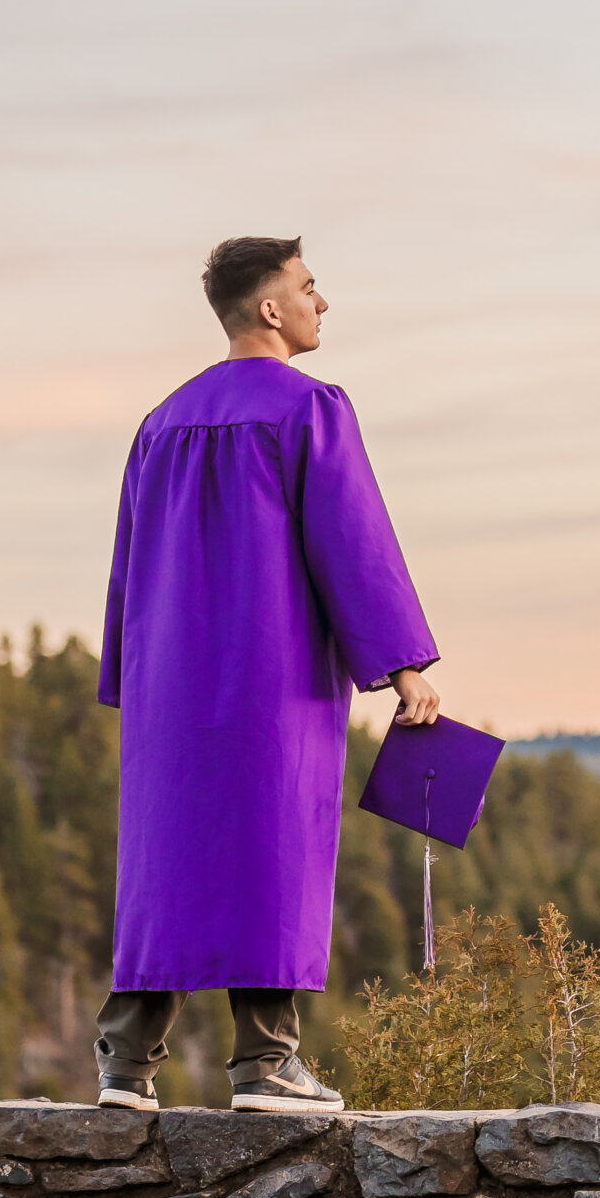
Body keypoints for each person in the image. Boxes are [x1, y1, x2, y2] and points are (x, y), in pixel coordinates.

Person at [92, 235, 440, 1113]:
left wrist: (128, 678)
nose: (324, 304)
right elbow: (352, 542)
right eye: (310, 288)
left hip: (170, 682)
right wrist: (403, 667)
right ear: (271, 308)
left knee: (165, 860)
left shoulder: (161, 420)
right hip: (270, 671)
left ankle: (125, 1066)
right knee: (271, 852)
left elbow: (128, 564)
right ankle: (265, 1064)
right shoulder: (308, 408)